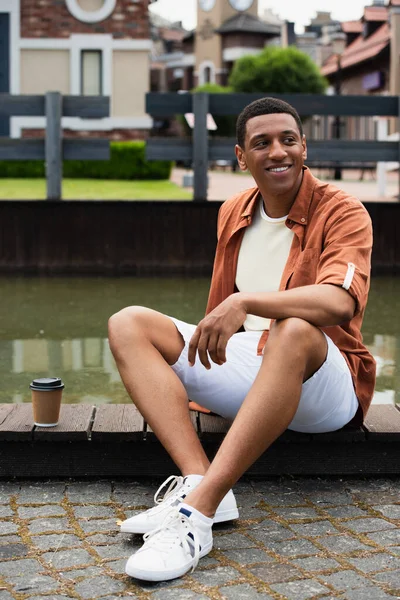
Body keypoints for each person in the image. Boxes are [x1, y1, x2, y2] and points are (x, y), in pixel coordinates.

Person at [108, 97, 376, 582]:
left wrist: (247, 301)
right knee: (129, 322)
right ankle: (200, 480)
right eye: (262, 143)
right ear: (241, 156)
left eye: (288, 140)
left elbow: (340, 302)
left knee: (292, 329)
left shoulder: (343, 211)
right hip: (253, 364)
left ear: (304, 147)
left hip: (323, 384)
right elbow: (224, 319)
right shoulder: (235, 210)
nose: (278, 152)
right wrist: (232, 313)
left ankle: (196, 517)